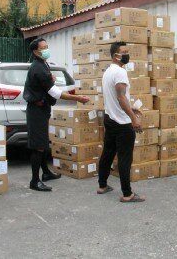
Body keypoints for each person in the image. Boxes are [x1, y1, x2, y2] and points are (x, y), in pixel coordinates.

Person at [24, 38, 90, 192]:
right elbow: (56, 93)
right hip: (36, 110)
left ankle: (46, 173)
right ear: (35, 51)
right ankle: (35, 180)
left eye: (47, 46)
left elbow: (48, 84)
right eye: (43, 47)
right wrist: (78, 98)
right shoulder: (38, 68)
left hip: (42, 108)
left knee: (43, 143)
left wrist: (50, 79)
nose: (47, 49)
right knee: (38, 146)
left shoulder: (43, 64)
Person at [97, 41, 145, 203]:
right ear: (116, 55)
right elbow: (121, 97)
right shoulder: (120, 72)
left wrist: (131, 108)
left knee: (108, 153)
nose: (127, 54)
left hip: (110, 118)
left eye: (127, 51)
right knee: (125, 158)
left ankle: (102, 185)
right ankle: (127, 194)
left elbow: (116, 98)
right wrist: (133, 118)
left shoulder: (108, 72)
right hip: (122, 123)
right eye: (124, 52)